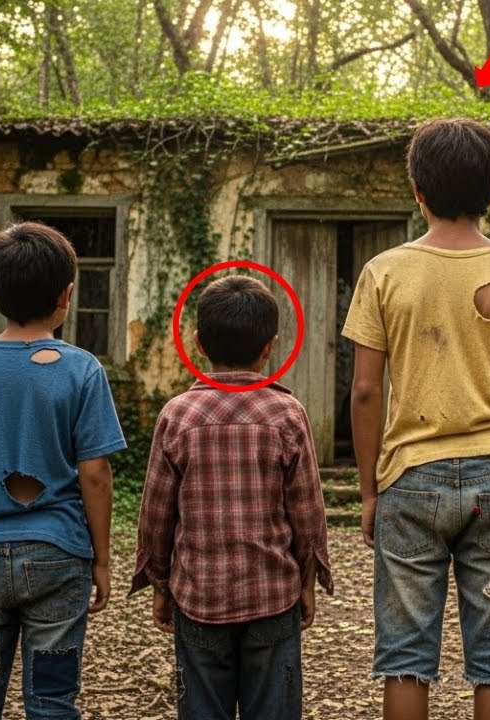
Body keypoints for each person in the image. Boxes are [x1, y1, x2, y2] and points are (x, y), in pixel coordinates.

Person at [342, 118, 490, 720]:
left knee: (407, 656)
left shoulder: (385, 271)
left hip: (410, 480)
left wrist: (368, 490)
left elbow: (364, 391)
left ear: (417, 189)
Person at [0, 221, 125, 719]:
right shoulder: (82, 369)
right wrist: (100, 559)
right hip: (58, 560)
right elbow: (96, 474)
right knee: (52, 700)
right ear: (67, 295)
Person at [130, 274, 333, 720]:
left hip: (199, 597)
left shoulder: (177, 415)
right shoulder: (287, 413)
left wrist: (160, 584)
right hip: (271, 597)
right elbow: (308, 511)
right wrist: (307, 581)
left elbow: (156, 514)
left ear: (199, 343)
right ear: (270, 347)